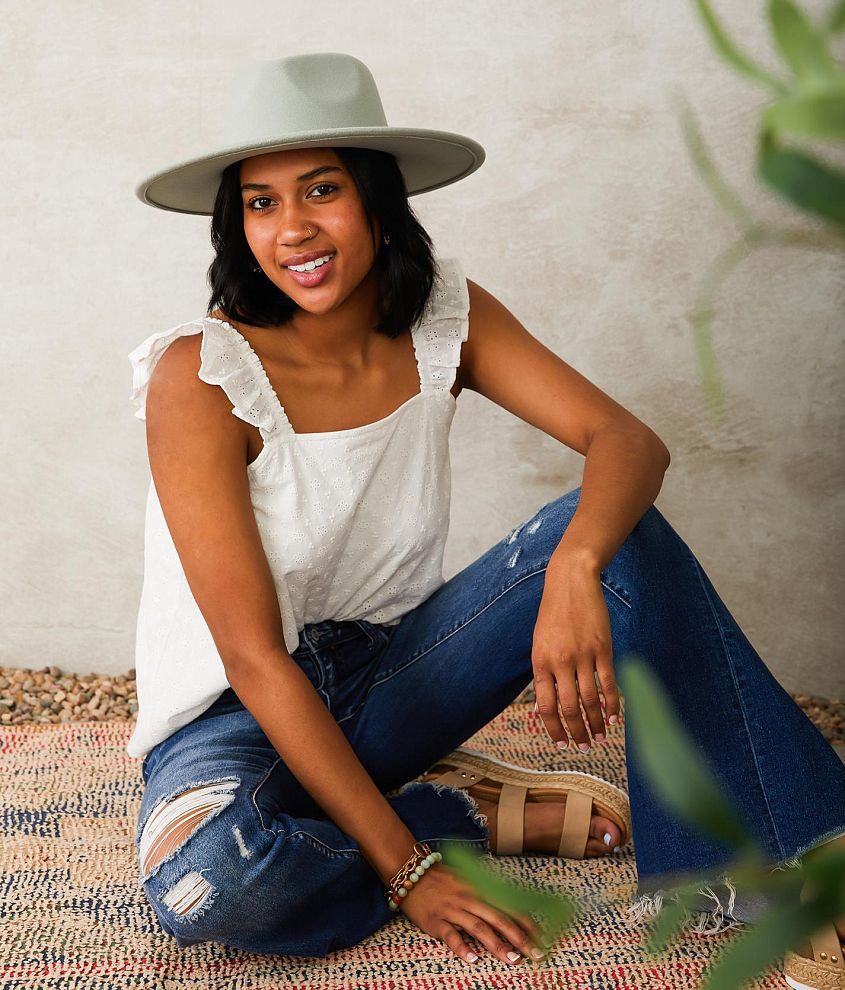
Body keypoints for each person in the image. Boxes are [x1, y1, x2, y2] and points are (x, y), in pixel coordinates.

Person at [127, 53, 845, 985]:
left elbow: (624, 440)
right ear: (237, 225)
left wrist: (577, 567)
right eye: (260, 203)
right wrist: (410, 869)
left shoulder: (442, 320)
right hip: (236, 713)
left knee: (622, 539)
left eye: (320, 190)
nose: (292, 228)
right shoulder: (201, 376)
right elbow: (253, 657)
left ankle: (789, 870)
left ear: (378, 202)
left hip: (390, 675)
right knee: (211, 885)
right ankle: (441, 815)